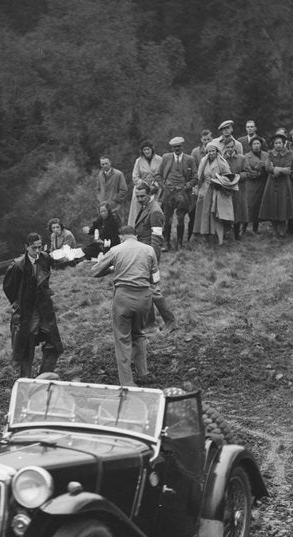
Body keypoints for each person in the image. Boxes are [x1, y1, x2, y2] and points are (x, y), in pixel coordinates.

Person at [90, 225, 158, 387]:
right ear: (135, 236)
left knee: (122, 339)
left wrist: (113, 268)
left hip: (123, 297)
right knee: (139, 334)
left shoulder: (116, 250)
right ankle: (143, 373)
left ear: (121, 236)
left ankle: (127, 382)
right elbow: (155, 277)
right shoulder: (149, 250)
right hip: (144, 297)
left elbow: (95, 271)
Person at [2, 233, 63, 378]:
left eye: (39, 247)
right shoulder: (18, 266)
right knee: (26, 349)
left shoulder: (45, 258)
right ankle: (26, 382)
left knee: (54, 344)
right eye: (33, 248)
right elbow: (9, 288)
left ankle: (44, 377)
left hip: (45, 308)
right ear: (26, 247)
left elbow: (45, 278)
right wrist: (19, 304)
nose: (37, 251)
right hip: (27, 311)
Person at [131, 185, 178, 333]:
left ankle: (170, 321)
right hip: (142, 255)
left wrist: (154, 262)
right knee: (146, 289)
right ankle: (150, 323)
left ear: (149, 194)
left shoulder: (155, 211)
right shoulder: (146, 206)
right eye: (137, 196)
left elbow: (157, 240)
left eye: (142, 196)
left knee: (153, 290)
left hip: (149, 257)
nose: (139, 199)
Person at [193, 142, 235, 245]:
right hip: (205, 189)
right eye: (209, 151)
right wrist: (198, 188)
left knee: (216, 214)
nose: (211, 153)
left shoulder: (222, 162)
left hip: (217, 190)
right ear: (207, 152)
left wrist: (220, 180)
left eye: (213, 151)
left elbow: (229, 176)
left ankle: (218, 237)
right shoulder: (204, 161)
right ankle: (204, 235)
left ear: (217, 151)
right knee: (204, 213)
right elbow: (200, 176)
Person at [158, 136, 196, 250]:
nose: (177, 149)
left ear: (182, 146)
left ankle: (179, 243)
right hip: (168, 193)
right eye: (174, 147)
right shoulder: (166, 158)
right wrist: (163, 186)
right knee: (167, 218)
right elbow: (158, 174)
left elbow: (195, 177)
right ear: (172, 148)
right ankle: (166, 242)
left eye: (179, 146)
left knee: (180, 218)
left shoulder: (190, 159)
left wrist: (187, 186)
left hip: (183, 194)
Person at [258, 132, 293, 237]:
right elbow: (267, 167)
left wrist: (275, 169)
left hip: (284, 184)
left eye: (280, 143)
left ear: (283, 143)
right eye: (276, 143)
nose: (278, 145)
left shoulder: (289, 153)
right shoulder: (270, 153)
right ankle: (274, 228)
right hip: (272, 183)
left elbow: (288, 170)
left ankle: (282, 229)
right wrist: (277, 169)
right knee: (272, 205)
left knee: (283, 205)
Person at [128, 141, 162, 224]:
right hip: (141, 187)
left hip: (155, 188)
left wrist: (155, 185)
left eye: (148, 149)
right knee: (137, 207)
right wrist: (146, 186)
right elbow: (135, 177)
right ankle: (134, 228)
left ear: (152, 149)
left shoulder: (160, 159)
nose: (146, 151)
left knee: (155, 209)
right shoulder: (138, 161)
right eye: (144, 150)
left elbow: (162, 175)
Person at [242, 137, 268, 233]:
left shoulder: (266, 155)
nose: (256, 146)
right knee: (249, 206)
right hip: (251, 186)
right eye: (254, 144)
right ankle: (243, 228)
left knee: (258, 207)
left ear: (261, 144)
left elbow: (269, 168)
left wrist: (264, 169)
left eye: (258, 143)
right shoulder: (246, 157)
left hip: (263, 185)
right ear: (251, 146)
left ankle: (255, 229)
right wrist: (258, 170)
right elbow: (248, 171)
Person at [224, 142, 249, 239]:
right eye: (228, 147)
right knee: (226, 210)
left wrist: (237, 177)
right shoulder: (222, 159)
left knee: (238, 211)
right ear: (225, 148)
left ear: (235, 147)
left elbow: (247, 173)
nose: (230, 149)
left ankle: (237, 233)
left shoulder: (241, 158)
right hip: (226, 189)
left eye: (232, 147)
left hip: (239, 188)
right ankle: (226, 232)